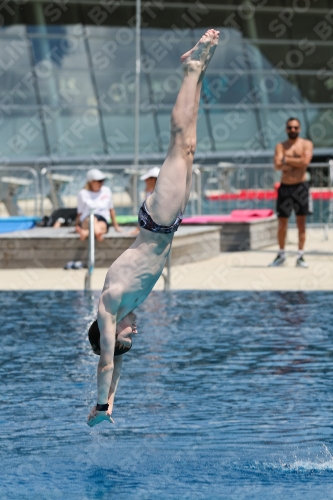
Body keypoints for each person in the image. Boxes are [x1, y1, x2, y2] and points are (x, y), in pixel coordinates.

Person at [87, 29, 220, 427]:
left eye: (127, 335)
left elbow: (106, 362)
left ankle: (191, 68)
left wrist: (97, 404)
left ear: (109, 331)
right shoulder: (120, 312)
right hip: (168, 225)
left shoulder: (109, 306)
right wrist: (111, 406)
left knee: (180, 143)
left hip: (157, 221)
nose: (135, 330)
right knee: (190, 143)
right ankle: (197, 71)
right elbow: (118, 363)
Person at [269, 117, 313, 268]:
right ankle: (281, 254)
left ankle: (300, 256)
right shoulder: (281, 146)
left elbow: (305, 162)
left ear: (299, 129)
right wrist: (295, 160)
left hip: (301, 187)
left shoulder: (306, 144)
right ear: (286, 129)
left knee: (301, 223)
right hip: (285, 187)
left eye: (295, 127)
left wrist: (286, 160)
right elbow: (277, 164)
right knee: (282, 223)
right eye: (290, 127)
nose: (292, 130)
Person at [75, 168, 121, 242]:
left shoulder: (106, 190)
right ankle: (98, 233)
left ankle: (86, 233)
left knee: (100, 225)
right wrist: (77, 224)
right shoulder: (82, 193)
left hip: (102, 218)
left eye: (103, 180)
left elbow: (111, 209)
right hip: (87, 218)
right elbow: (80, 212)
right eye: (99, 181)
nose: (102, 183)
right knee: (93, 220)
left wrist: (116, 226)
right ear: (91, 182)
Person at [130, 166, 161, 236]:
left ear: (153, 180)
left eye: (146, 179)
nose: (145, 181)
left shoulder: (160, 195)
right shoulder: (150, 193)